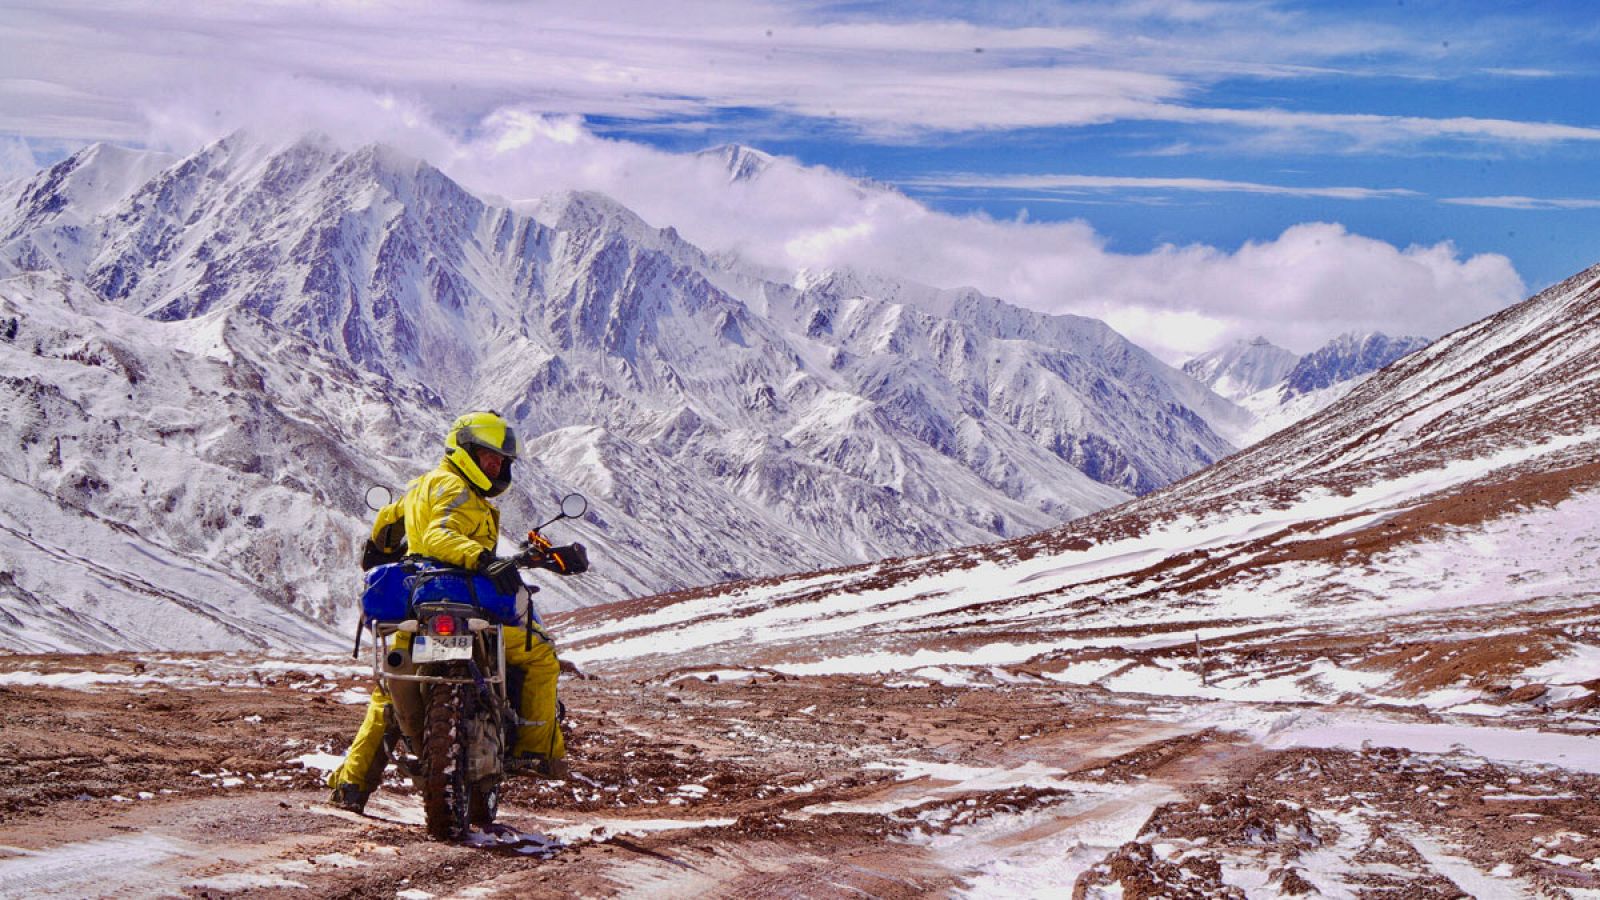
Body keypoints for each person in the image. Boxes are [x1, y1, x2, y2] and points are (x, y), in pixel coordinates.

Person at [327, 410, 586, 814]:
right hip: (464, 606)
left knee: (389, 693)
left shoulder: (420, 487)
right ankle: (537, 753)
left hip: (422, 611)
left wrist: (379, 550)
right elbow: (437, 535)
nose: (496, 466)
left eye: (501, 460)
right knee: (540, 655)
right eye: (489, 458)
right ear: (466, 452)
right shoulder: (457, 490)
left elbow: (387, 526)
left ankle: (351, 786)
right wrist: (482, 560)